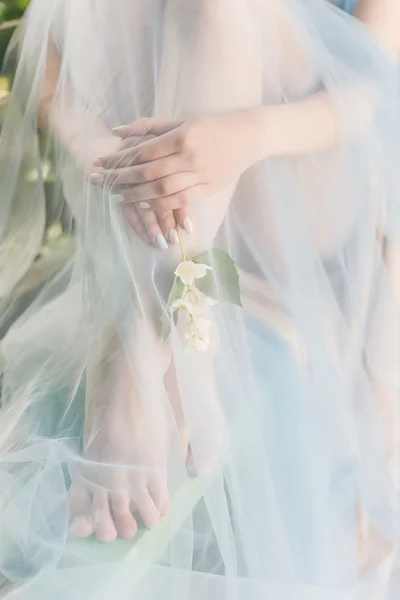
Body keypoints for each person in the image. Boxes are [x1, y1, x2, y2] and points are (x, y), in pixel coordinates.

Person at [0, 0, 399, 598]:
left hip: (304, 189)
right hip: (185, 187)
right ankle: (168, 316)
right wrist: (116, 161)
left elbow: (374, 89)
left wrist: (244, 136)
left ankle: (139, 346)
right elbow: (51, 44)